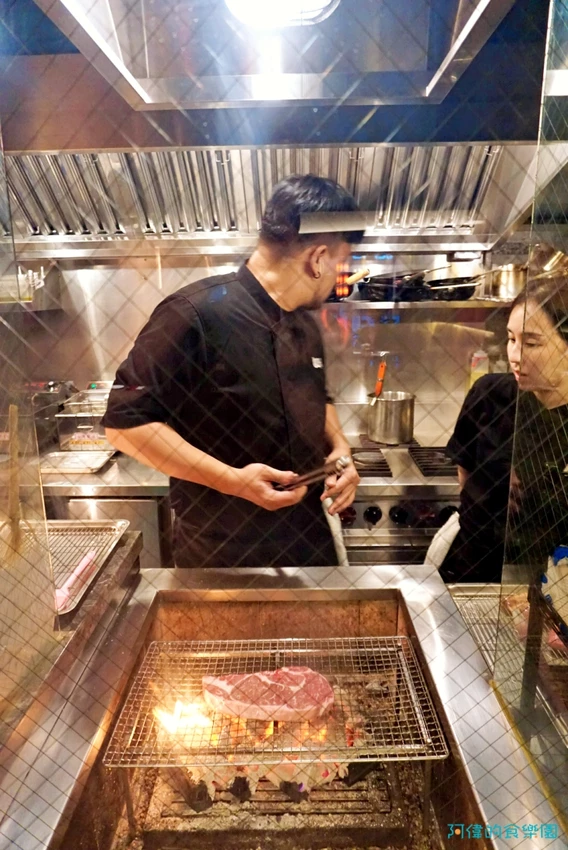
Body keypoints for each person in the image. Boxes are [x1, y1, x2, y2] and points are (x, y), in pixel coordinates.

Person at [102, 175, 362, 568]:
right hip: (223, 554)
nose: (340, 277)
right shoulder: (193, 313)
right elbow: (125, 426)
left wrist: (340, 450)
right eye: (342, 264)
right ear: (318, 258)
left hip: (309, 544)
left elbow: (317, 396)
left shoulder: (305, 324)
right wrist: (231, 480)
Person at [438, 277, 568, 583]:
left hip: (548, 582)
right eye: (511, 338)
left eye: (532, 343)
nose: (515, 355)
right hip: (472, 569)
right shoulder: (490, 394)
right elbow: (465, 474)